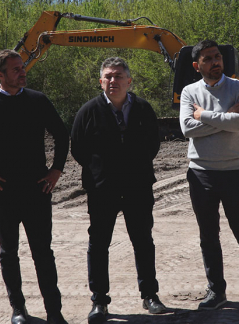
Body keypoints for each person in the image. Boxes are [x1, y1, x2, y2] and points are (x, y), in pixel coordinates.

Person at [0, 49, 69, 324]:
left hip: (37, 189)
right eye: (16, 69)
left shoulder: (38, 101)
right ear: (0, 75)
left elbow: (61, 133)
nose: (22, 73)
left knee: (43, 253)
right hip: (2, 192)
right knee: (8, 252)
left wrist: (56, 170)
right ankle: (18, 309)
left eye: (22, 68)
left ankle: (54, 312)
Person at [71, 57, 166, 324]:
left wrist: (133, 168)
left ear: (129, 81)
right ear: (101, 81)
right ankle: (99, 301)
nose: (113, 81)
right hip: (102, 189)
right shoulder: (88, 111)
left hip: (138, 187)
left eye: (118, 76)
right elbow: (78, 148)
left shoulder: (143, 109)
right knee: (99, 244)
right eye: (108, 76)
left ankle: (150, 296)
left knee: (143, 241)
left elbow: (153, 145)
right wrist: (101, 171)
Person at [179, 39, 239, 311]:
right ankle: (216, 292)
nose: (216, 61)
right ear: (197, 65)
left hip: (234, 173)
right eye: (208, 58)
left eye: (217, 56)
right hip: (201, 174)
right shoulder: (188, 91)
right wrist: (224, 116)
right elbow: (187, 128)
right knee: (208, 236)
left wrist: (205, 115)